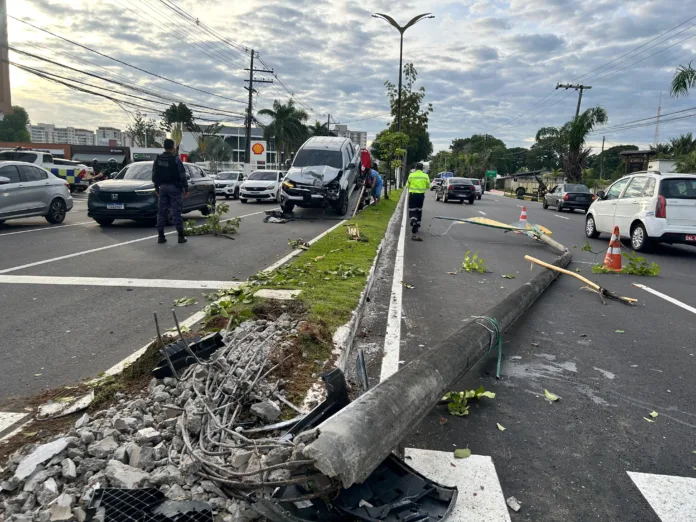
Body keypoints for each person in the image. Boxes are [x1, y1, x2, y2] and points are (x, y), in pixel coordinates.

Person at [152, 139, 189, 244]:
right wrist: (186, 189)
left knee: (161, 212)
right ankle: (181, 237)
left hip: (162, 187)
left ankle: (160, 236)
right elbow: (182, 175)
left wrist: (156, 188)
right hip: (174, 188)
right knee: (176, 212)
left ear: (164, 147)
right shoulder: (176, 160)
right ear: (173, 147)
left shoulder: (158, 159)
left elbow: (155, 175)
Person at [405, 162, 430, 239]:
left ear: (415, 168)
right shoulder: (425, 176)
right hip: (421, 196)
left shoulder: (411, 175)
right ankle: (418, 224)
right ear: (422, 168)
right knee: (419, 210)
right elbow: (428, 186)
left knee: (412, 209)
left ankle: (413, 221)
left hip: (413, 195)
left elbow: (407, 185)